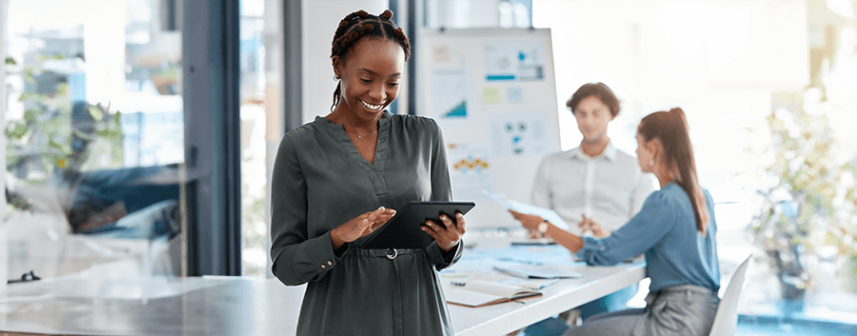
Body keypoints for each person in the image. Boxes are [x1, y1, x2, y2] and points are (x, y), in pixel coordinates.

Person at [270, 9, 465, 336]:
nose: (379, 94)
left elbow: (438, 248)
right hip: (341, 317)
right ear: (338, 66)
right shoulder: (299, 147)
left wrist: (449, 244)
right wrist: (337, 238)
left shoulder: (425, 136)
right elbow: (285, 265)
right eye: (366, 79)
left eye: (393, 82)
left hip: (422, 316)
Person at [511, 108, 721, 336]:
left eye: (638, 144)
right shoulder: (700, 195)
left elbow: (604, 252)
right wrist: (611, 238)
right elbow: (659, 245)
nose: (635, 151)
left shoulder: (664, 201)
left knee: (572, 333)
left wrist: (545, 226)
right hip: (700, 314)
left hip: (674, 321)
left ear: (653, 149)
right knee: (593, 323)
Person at [520, 83, 655, 336]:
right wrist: (538, 230)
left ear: (612, 115)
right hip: (557, 262)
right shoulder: (551, 164)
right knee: (524, 314)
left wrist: (608, 234)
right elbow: (538, 217)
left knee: (600, 316)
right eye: (582, 113)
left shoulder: (635, 168)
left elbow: (641, 230)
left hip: (612, 264)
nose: (588, 121)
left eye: (596, 113)